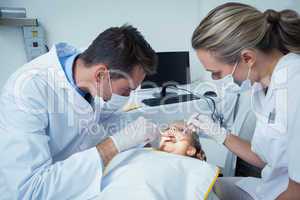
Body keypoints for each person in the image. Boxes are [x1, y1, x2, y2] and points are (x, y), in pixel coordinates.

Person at [0, 25, 161, 199]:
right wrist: (115, 145)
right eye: (126, 90)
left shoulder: (87, 69)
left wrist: (158, 129)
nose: (128, 96)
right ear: (100, 75)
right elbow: (29, 191)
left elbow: (100, 117)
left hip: (75, 179)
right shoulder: (27, 90)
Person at [188, 2, 300, 200]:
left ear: (247, 58)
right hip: (270, 188)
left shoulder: (295, 85)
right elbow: (265, 158)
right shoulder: (260, 87)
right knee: (200, 188)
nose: (215, 80)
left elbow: (296, 192)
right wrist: (218, 133)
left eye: (216, 73)